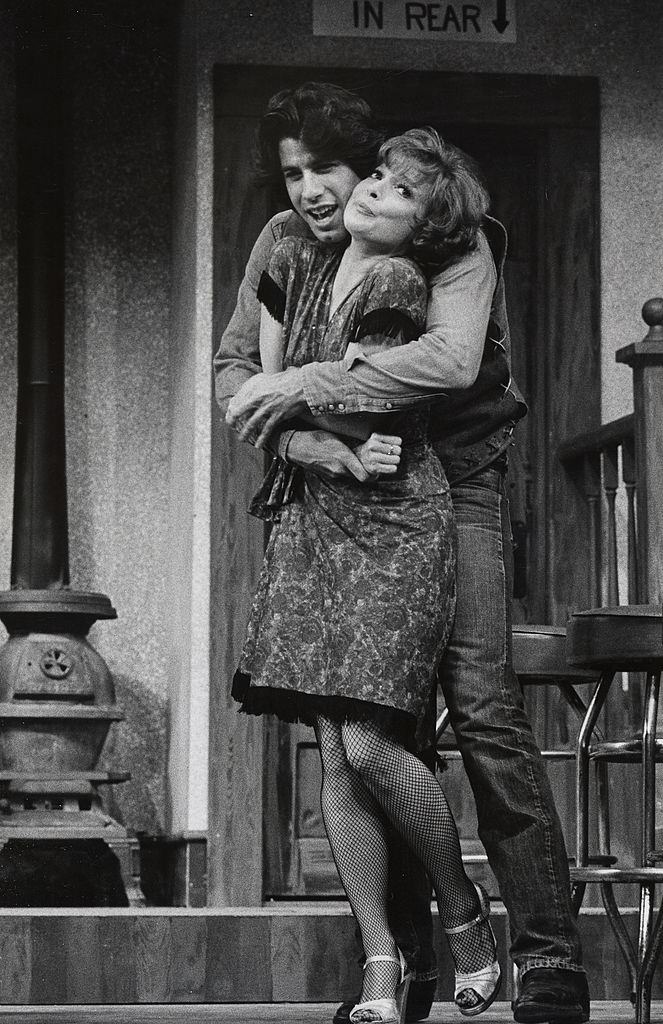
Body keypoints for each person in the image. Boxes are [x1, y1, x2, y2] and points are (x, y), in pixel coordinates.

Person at [215, 82, 590, 1024]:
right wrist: (309, 440)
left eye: (328, 170)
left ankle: (543, 955)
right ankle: (408, 965)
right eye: (289, 172)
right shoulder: (286, 244)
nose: (308, 190)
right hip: (332, 488)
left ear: (373, 166)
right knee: (357, 734)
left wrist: (302, 382)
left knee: (482, 708)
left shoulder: (448, 240)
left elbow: (449, 361)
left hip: (450, 483)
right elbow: (233, 372)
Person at [233, 125, 502, 1024]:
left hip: (394, 518)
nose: (372, 191)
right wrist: (300, 428)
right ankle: (379, 967)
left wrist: (303, 406)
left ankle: (463, 909)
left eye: (397, 192)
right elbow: (250, 385)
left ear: (420, 229)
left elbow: (384, 399)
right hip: (313, 518)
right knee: (335, 758)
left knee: (369, 743)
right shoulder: (307, 264)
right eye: (378, 176)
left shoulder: (393, 279)